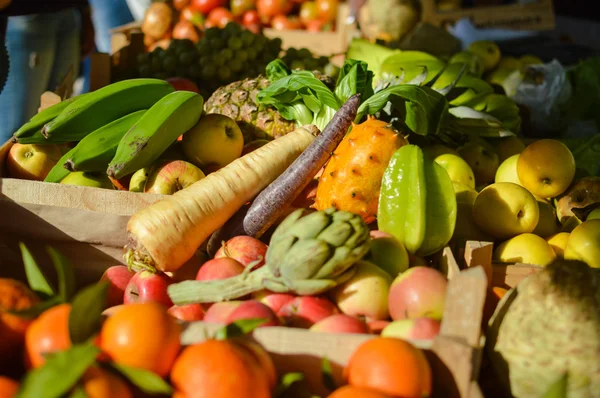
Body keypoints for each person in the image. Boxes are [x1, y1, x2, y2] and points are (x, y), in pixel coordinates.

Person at [0, 0, 95, 144]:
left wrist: (85, 11)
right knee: (17, 130)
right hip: (25, 18)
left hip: (69, 12)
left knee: (57, 121)